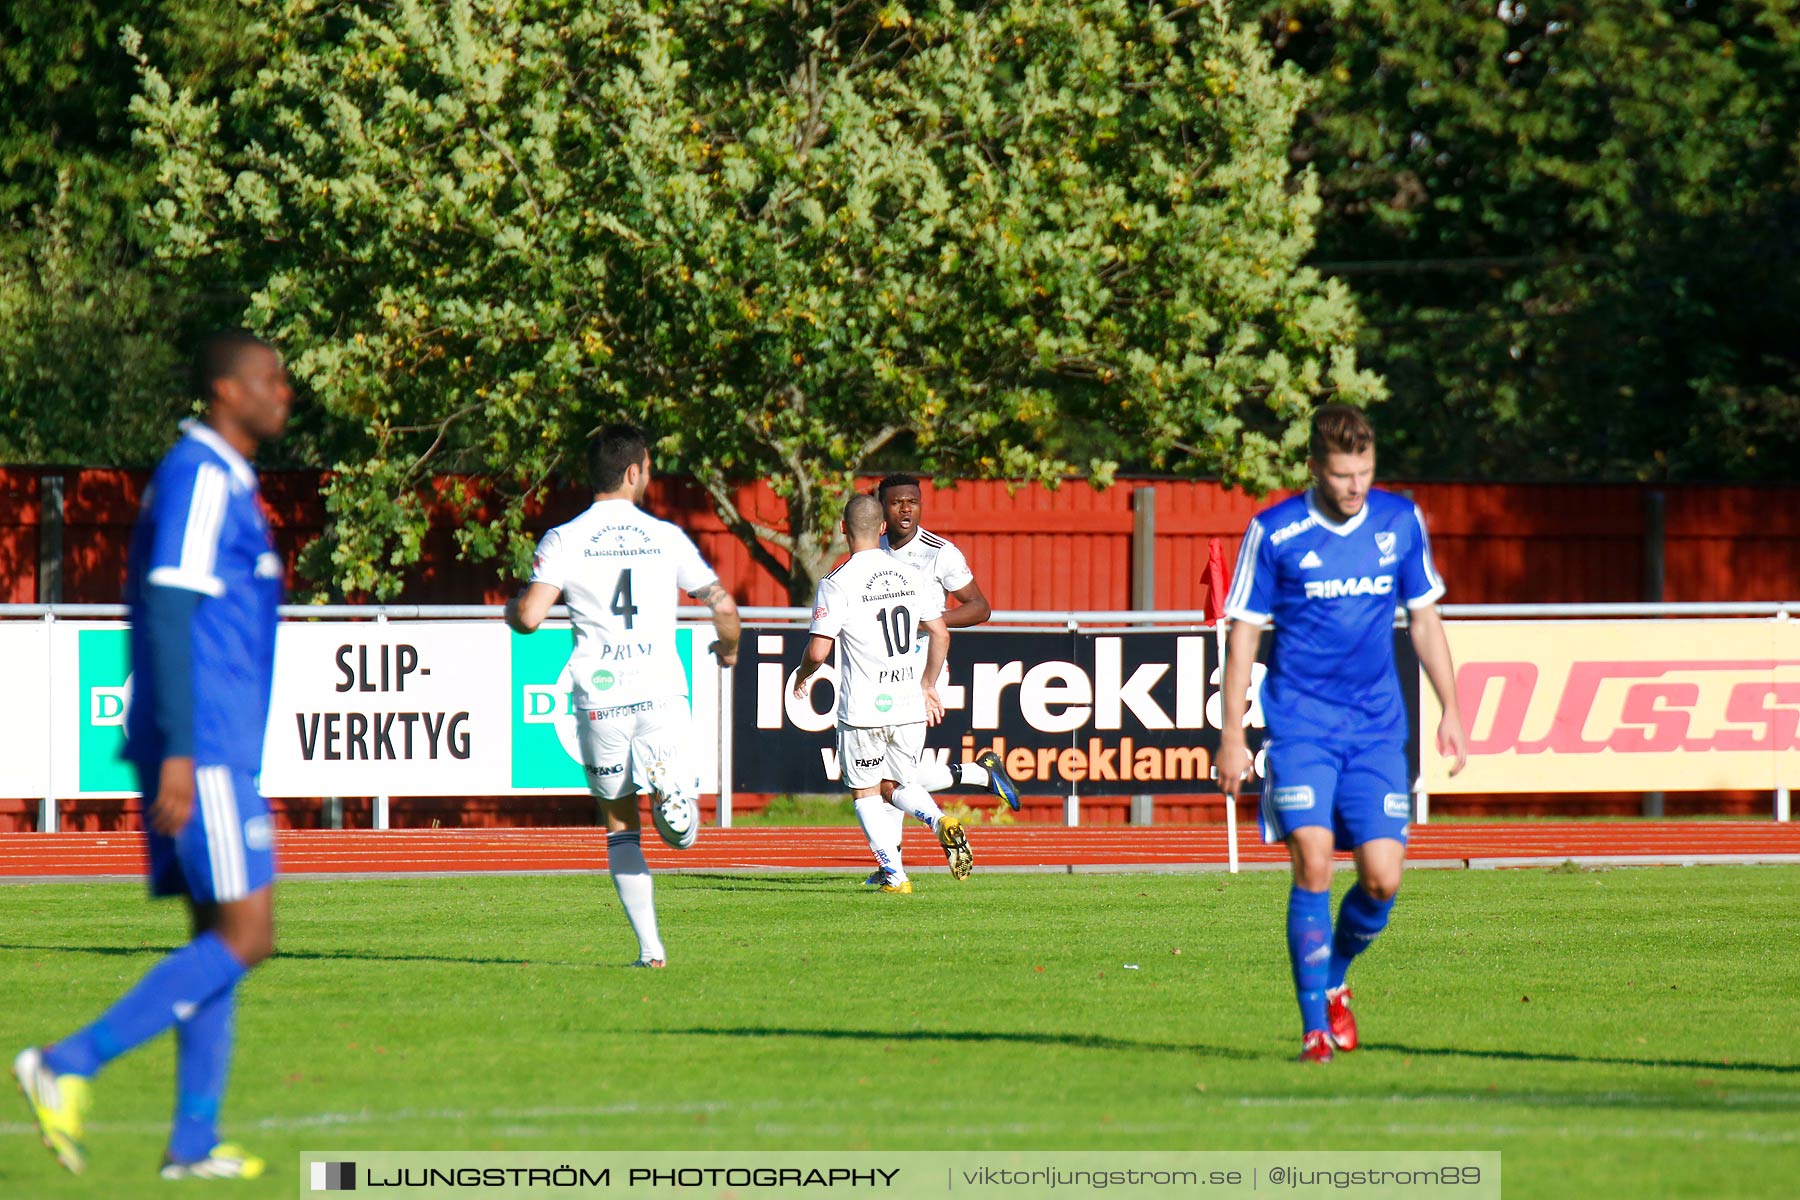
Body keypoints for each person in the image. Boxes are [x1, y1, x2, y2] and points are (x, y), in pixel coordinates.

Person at [14, 331, 292, 1179]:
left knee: (218, 933)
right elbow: (169, 611)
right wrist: (178, 751)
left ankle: (191, 1144)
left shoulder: (228, 481)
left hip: (212, 743)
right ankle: (65, 1064)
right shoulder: (202, 475)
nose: (284, 392)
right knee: (249, 933)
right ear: (224, 391)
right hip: (201, 746)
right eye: (268, 379)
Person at [1215, 404, 1468, 1064]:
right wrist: (1233, 734)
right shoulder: (1275, 532)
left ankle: (1334, 980)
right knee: (1316, 861)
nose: (1355, 486)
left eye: (1364, 472)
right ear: (1314, 469)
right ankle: (1313, 1032)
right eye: (1341, 474)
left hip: (1378, 730)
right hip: (1302, 726)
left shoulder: (1398, 520)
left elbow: (1424, 620)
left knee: (1382, 879)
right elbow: (1242, 634)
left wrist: (1453, 708)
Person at [506, 423, 739, 968]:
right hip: (661, 693)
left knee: (619, 824)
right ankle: (674, 793)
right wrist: (728, 650)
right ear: (635, 472)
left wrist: (510, 609)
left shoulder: (564, 538)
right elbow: (724, 606)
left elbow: (531, 616)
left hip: (601, 700)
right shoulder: (666, 536)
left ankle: (651, 950)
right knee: (680, 835)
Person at [793, 494, 967, 893]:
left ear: (842, 530)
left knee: (867, 791)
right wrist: (927, 684)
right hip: (908, 704)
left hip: (863, 709)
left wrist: (803, 675)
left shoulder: (836, 582)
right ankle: (940, 821)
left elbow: (819, 651)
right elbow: (940, 632)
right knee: (895, 786)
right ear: (883, 528)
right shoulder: (911, 575)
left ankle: (895, 874)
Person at [871, 475, 1018, 882]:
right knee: (893, 773)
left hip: (923, 672)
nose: (906, 509)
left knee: (889, 776)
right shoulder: (873, 553)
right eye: (897, 502)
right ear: (882, 508)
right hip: (883, 672)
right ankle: (979, 774)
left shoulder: (939, 553)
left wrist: (928, 622)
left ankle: (891, 868)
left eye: (913, 502)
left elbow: (980, 607)